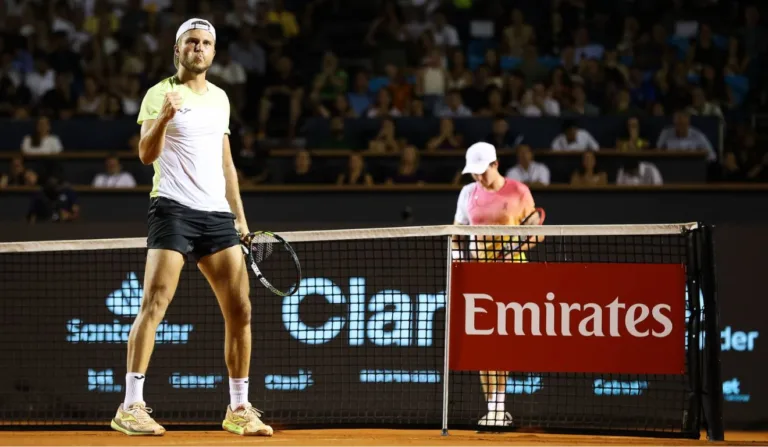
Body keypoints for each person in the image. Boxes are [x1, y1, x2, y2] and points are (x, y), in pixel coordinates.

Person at [110, 18, 273, 437]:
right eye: (191, 43)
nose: (198, 49)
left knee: (241, 309)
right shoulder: (159, 94)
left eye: (205, 43)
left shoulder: (220, 99)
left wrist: (239, 216)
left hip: (217, 215)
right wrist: (164, 116)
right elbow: (146, 155)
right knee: (155, 304)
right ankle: (130, 406)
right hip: (173, 210)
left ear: (214, 53)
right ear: (177, 50)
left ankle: (238, 408)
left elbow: (226, 163)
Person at [453, 142, 542, 428]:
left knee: (501, 343)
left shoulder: (520, 192)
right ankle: (493, 408)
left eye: (482, 171)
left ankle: (498, 406)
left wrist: (522, 242)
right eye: (473, 172)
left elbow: (536, 235)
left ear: (495, 165)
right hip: (479, 275)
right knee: (482, 345)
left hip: (513, 275)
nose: (477, 177)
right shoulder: (467, 193)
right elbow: (457, 233)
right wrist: (459, 262)